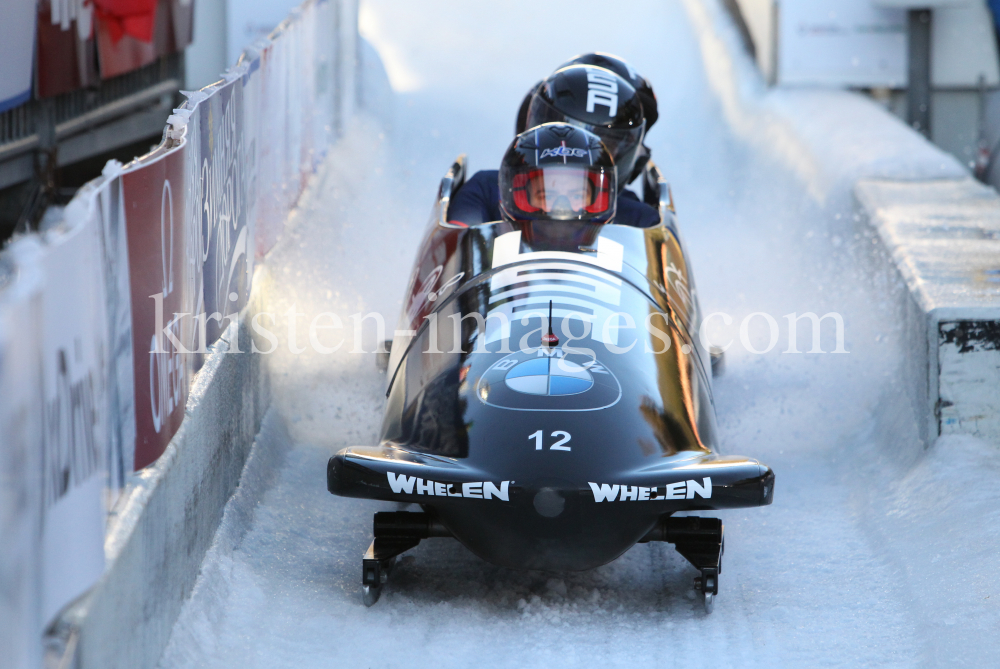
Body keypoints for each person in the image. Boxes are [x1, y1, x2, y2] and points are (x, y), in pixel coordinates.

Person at [515, 52, 658, 186]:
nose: (577, 153)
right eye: (563, 137)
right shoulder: (495, 195)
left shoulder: (638, 213)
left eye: (607, 143)